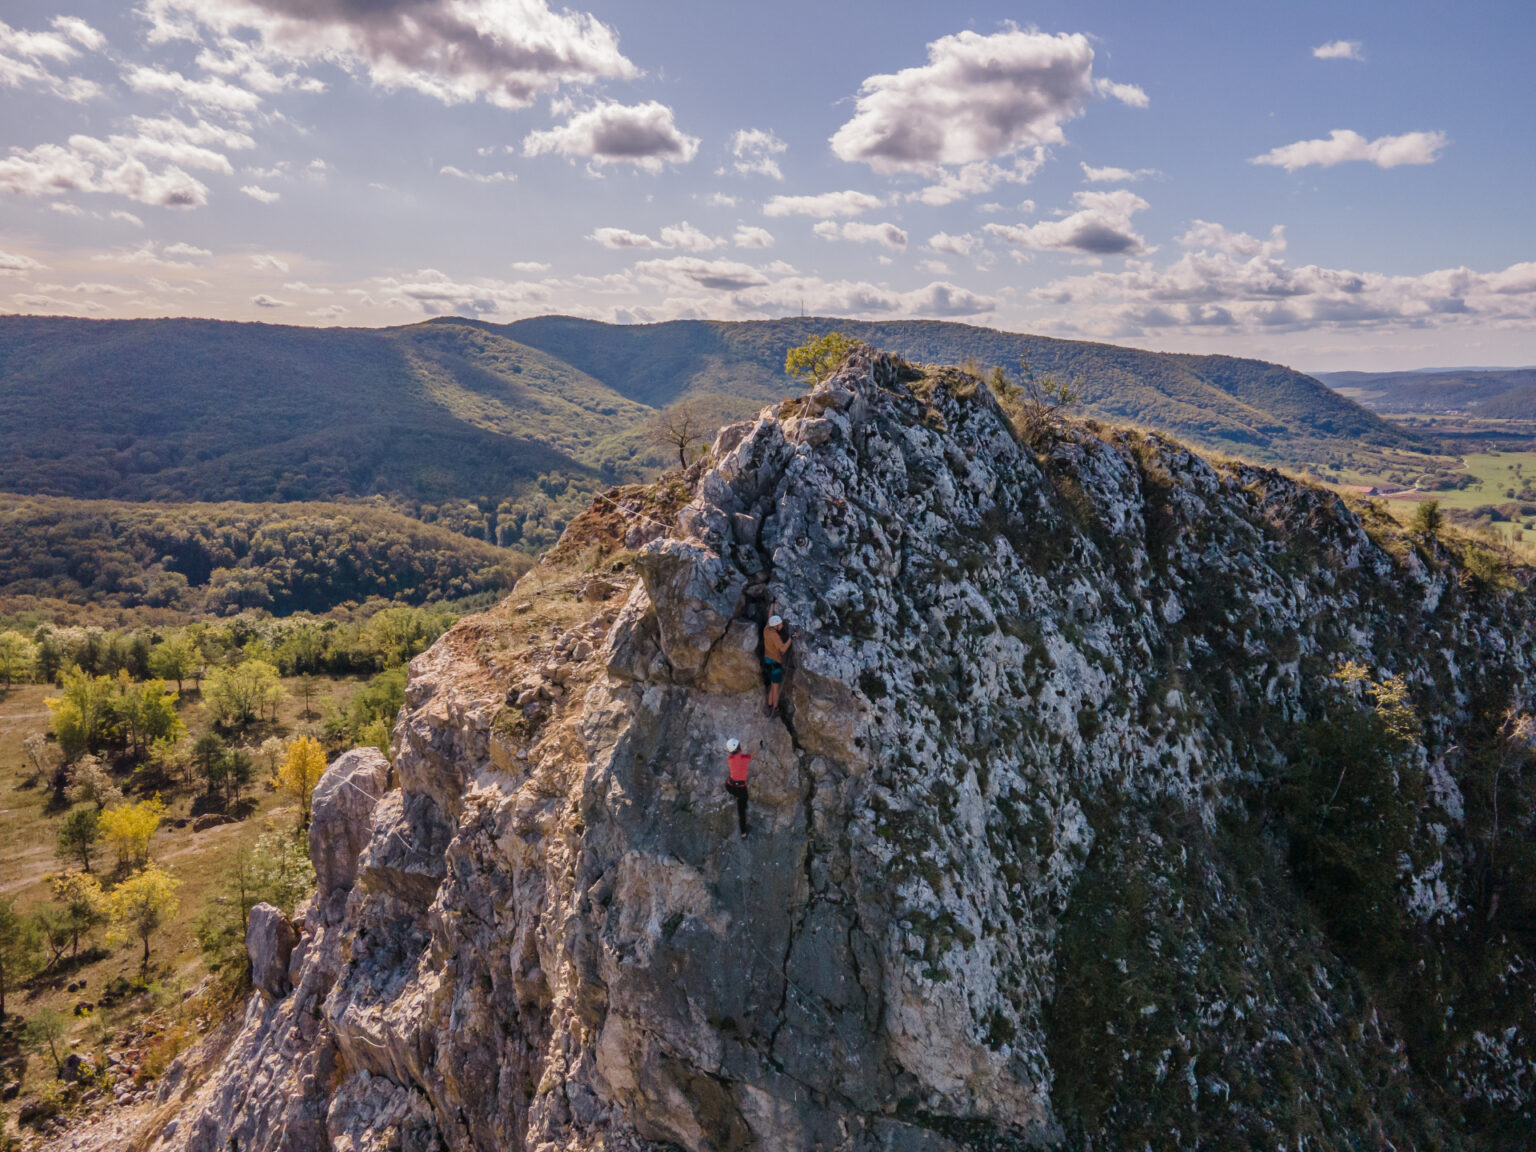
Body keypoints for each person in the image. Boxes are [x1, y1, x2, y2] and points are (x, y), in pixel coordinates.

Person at [762, 613, 791, 717]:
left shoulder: (766, 630)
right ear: (775, 625)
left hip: (767, 662)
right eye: (780, 624)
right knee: (776, 688)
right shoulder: (774, 635)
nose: (782, 626)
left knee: (772, 685)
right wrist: (790, 640)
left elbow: (769, 617)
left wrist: (772, 605)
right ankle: (775, 709)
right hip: (775, 664)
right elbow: (782, 649)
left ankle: (769, 705)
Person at [725, 737, 752, 839]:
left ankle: (737, 797)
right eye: (739, 744)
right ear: (737, 747)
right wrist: (760, 748)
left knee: (740, 796)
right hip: (740, 789)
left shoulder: (730, 759)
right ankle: (743, 833)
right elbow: (751, 756)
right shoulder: (743, 758)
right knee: (742, 810)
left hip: (729, 786)